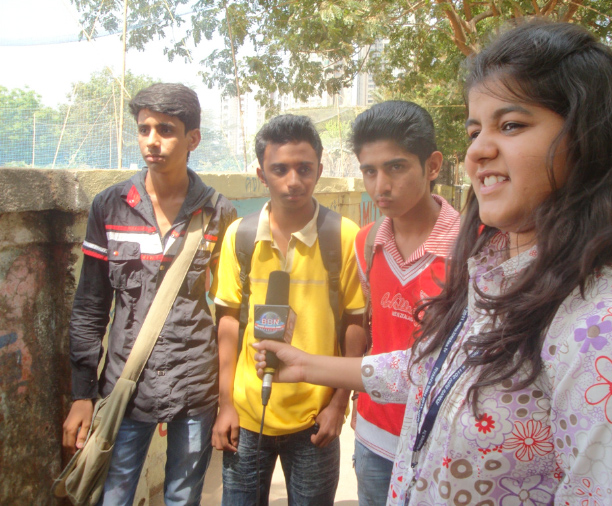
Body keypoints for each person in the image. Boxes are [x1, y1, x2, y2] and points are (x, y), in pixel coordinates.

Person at [253, 21, 612, 505]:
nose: (478, 151)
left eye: (511, 125)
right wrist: (308, 365)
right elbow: (434, 371)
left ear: (589, 138)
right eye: (475, 131)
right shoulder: (492, 271)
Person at [61, 83, 237, 505]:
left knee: (182, 496)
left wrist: (230, 399)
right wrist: (82, 395)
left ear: (193, 138)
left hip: (195, 384)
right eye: (144, 129)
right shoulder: (110, 207)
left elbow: (231, 310)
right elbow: (90, 307)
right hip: (125, 386)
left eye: (166, 130)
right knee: (113, 495)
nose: (152, 141)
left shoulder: (218, 213)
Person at [210, 114, 366, 505]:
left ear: (320, 170)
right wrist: (225, 404)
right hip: (247, 417)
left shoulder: (343, 236)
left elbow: (356, 322)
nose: (293, 181)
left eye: (304, 168)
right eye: (279, 169)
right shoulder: (240, 236)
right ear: (261, 175)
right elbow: (228, 322)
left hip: (316, 419)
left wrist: (338, 404)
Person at [350, 101, 461, 505]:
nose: (380, 186)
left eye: (395, 167)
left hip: (442, 440)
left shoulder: (473, 247)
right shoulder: (365, 243)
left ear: (432, 166)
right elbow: (373, 328)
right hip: (374, 435)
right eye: (369, 171)